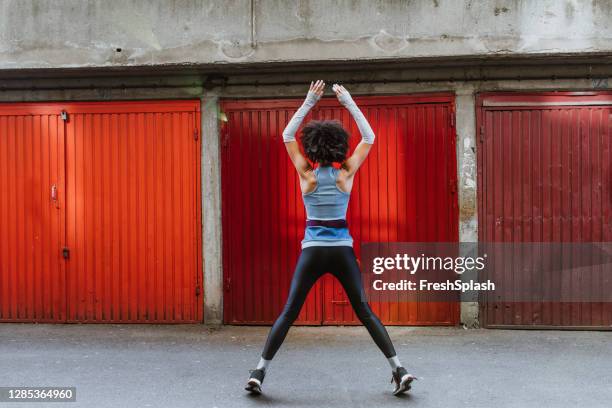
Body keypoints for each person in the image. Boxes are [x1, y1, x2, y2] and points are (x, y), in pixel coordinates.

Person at [245, 80, 416, 396]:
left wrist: (310, 101)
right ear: (337, 146)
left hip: (313, 251)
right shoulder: (345, 174)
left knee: (288, 312)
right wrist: (348, 101)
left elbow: (285, 135)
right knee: (365, 312)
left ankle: (258, 372)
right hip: (341, 252)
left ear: (312, 147)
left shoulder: (306, 175)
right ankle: (399, 369)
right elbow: (369, 137)